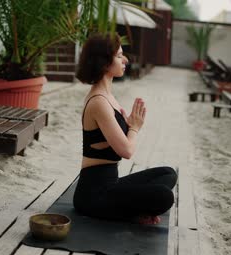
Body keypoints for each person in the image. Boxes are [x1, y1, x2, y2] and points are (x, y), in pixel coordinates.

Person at [73, 33, 178, 225]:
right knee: (164, 196)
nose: (126, 59)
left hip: (111, 184)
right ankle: (134, 212)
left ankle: (134, 209)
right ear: (104, 62)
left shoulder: (108, 96)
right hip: (93, 196)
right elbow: (126, 151)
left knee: (168, 173)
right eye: (119, 55)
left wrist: (128, 124)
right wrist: (134, 128)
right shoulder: (99, 102)